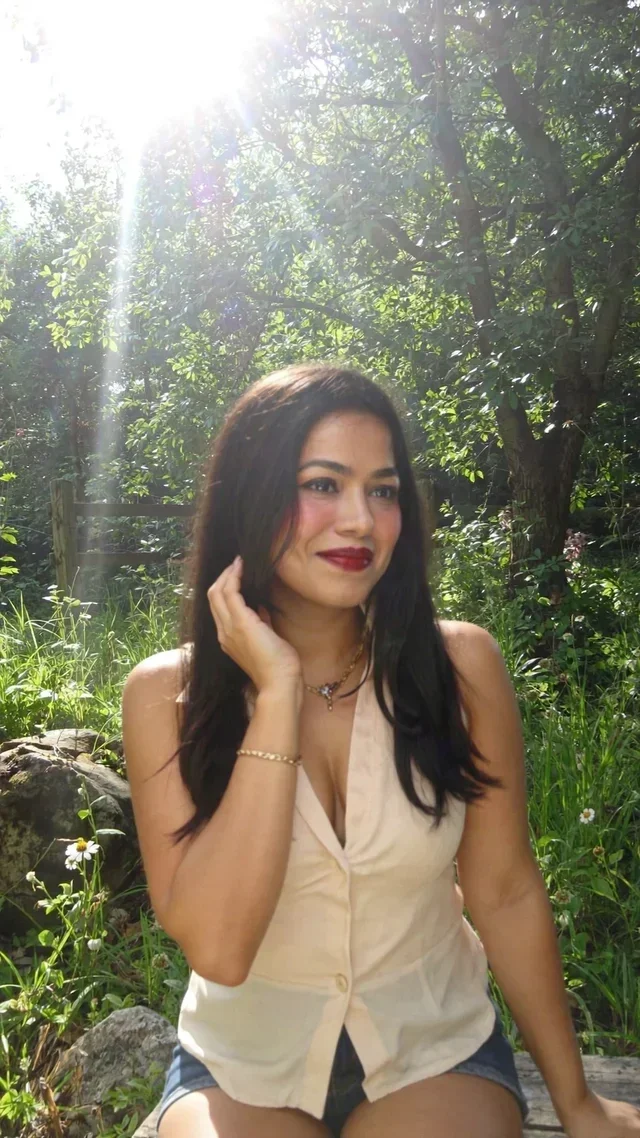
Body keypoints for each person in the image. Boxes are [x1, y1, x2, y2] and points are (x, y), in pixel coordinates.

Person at [122, 363, 640, 1138]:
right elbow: (221, 950)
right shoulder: (166, 697)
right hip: (239, 1070)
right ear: (249, 498)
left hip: (435, 1053)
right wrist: (276, 696)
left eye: (384, 490)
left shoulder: (460, 668)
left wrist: (578, 1104)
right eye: (323, 485)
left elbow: (502, 891)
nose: (361, 520)